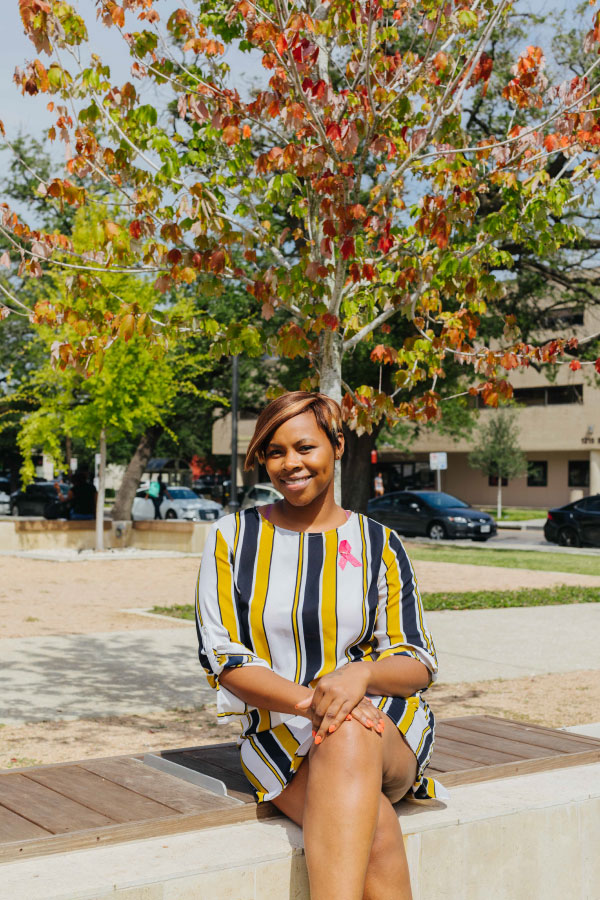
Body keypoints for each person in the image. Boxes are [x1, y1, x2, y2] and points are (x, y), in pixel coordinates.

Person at [195, 392, 446, 900]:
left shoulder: (379, 543)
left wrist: (361, 678)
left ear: (336, 447)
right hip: (277, 734)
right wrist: (315, 703)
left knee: (349, 733)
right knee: (371, 828)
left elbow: (417, 658)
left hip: (384, 726)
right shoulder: (232, 538)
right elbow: (224, 658)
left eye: (305, 447)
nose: (291, 464)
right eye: (275, 451)